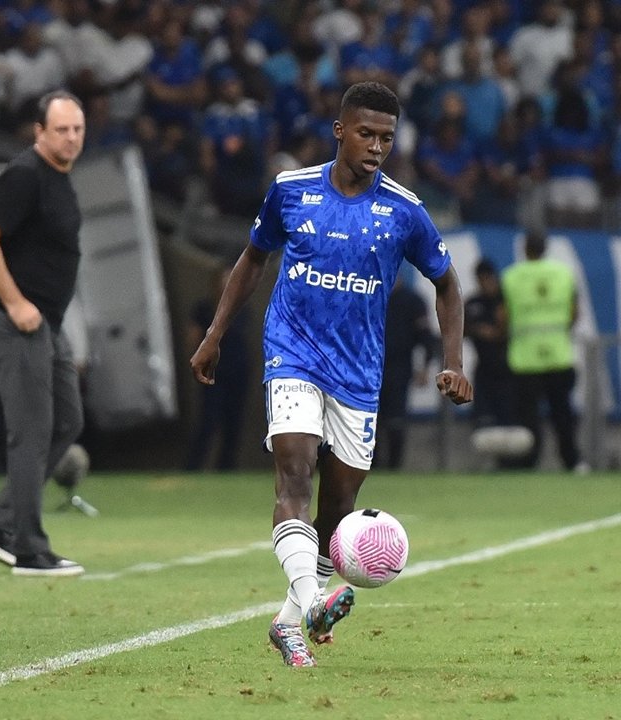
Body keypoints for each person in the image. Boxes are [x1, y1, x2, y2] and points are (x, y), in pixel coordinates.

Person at [189, 82, 473, 668]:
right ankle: (316, 599)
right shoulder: (291, 191)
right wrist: (215, 335)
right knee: (294, 470)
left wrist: (454, 361)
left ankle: (290, 622)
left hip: (359, 372)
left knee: (338, 507)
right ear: (340, 130)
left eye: (387, 139)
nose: (376, 147)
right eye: (366, 134)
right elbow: (252, 259)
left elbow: (447, 282)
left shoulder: (404, 210)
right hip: (291, 352)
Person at [0, 90, 88, 578]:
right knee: (32, 431)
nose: (71, 137)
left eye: (77, 129)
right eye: (61, 129)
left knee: (66, 422)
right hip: (16, 322)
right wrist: (15, 302)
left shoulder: (57, 177)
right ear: (39, 131)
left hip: (47, 326)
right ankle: (28, 549)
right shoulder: (26, 174)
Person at [500, 230, 583, 471]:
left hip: (525, 358)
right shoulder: (564, 274)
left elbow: (503, 317)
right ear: (546, 248)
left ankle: (527, 462)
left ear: (524, 249)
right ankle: (572, 462)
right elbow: (574, 313)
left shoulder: (511, 277)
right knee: (563, 415)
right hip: (559, 354)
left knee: (527, 418)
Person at [184, 267, 250, 471]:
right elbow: (193, 337)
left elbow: (243, 337)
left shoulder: (242, 309)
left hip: (237, 373)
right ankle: (193, 467)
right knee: (208, 422)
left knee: (233, 424)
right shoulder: (203, 308)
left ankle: (226, 469)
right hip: (212, 374)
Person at [374, 274, 439, 470]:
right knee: (371, 419)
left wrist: (425, 367)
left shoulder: (412, 301)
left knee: (395, 418)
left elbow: (426, 337)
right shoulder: (372, 297)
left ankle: (394, 465)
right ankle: (371, 465)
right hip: (371, 368)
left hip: (399, 367)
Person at [464, 258, 515, 428]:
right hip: (484, 367)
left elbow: (506, 330)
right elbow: (461, 329)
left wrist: (495, 332)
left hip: (507, 368)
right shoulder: (473, 303)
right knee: (483, 420)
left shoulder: (505, 300)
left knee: (507, 418)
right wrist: (478, 331)